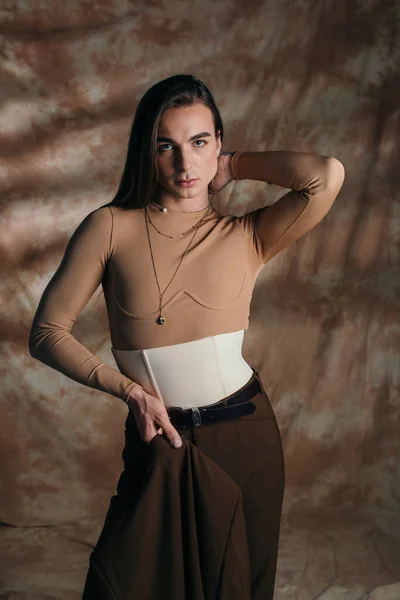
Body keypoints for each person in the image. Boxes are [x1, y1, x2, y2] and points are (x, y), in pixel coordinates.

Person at [29, 74, 345, 599]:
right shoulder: (109, 227)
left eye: (199, 143)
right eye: (166, 146)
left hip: (246, 434)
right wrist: (128, 390)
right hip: (161, 437)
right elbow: (46, 332)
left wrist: (237, 166)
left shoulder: (247, 235)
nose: (184, 164)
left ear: (218, 143)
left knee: (241, 585)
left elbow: (326, 176)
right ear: (146, 154)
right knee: (130, 582)